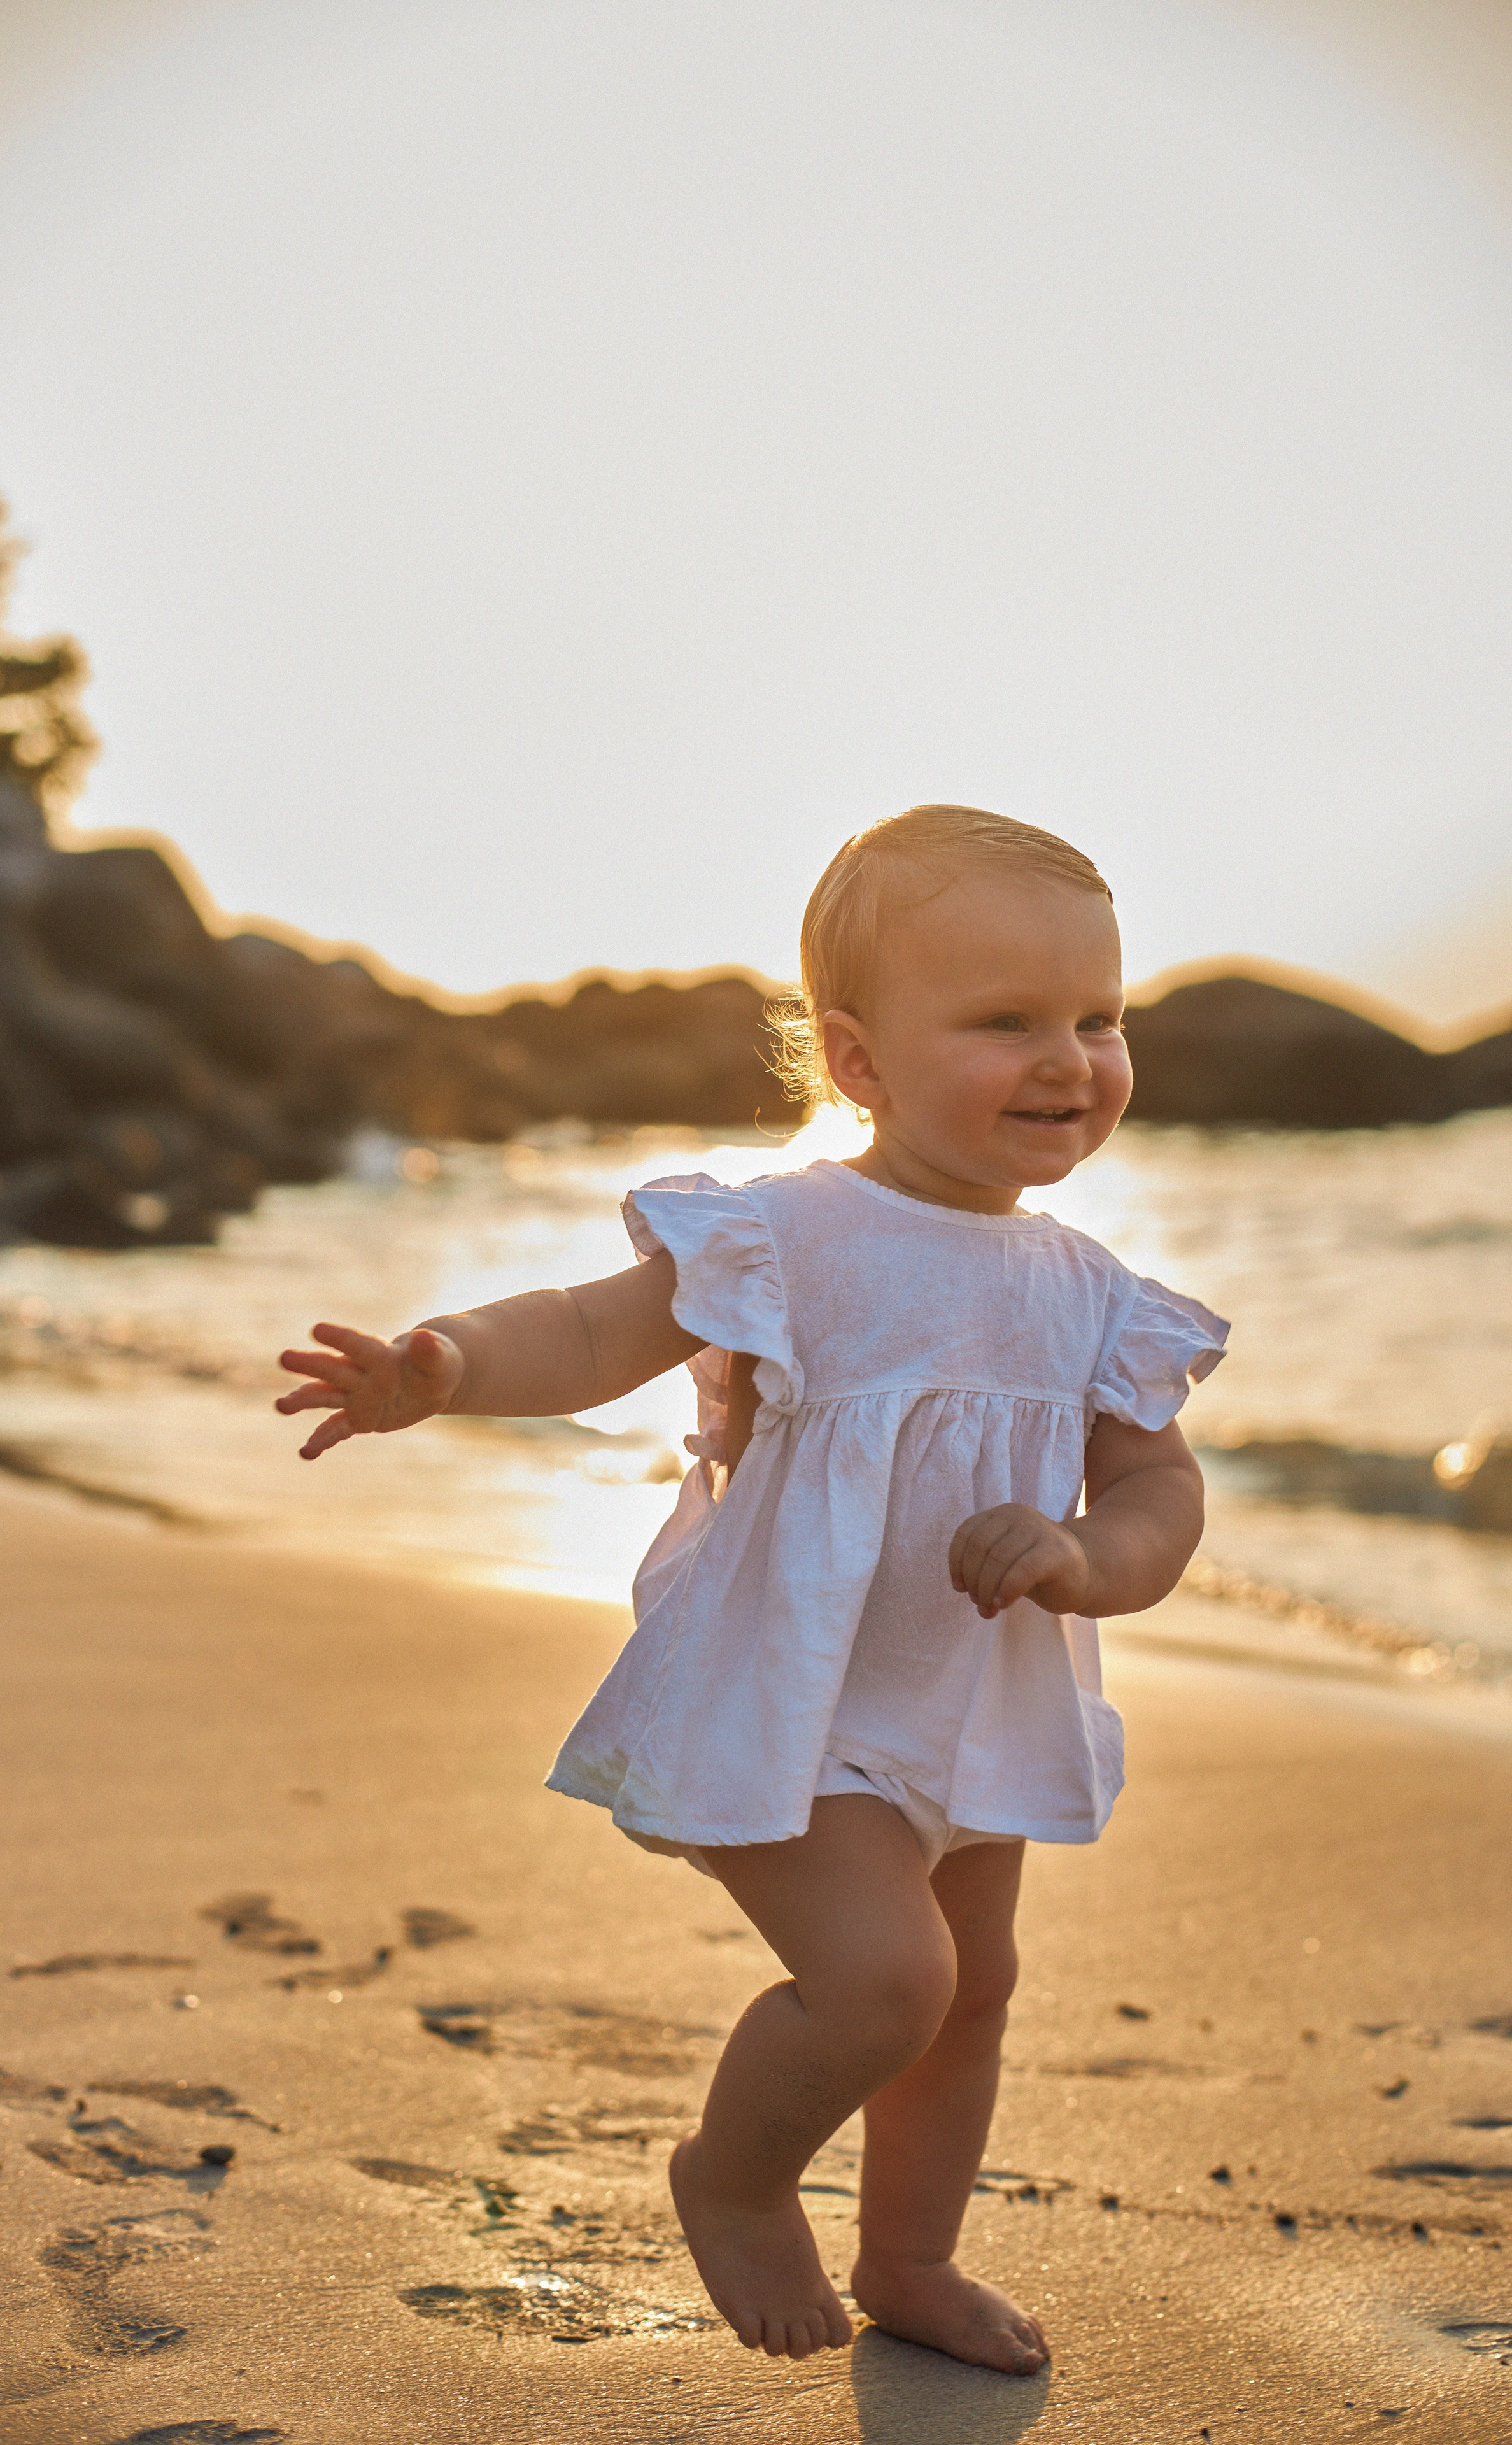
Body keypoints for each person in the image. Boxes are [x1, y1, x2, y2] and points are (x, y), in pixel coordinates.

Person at [275, 805, 1227, 2375]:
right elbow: (588, 1332)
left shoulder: (1089, 1294)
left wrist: (1085, 1561)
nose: (1068, 1059)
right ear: (857, 1063)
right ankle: (731, 2179)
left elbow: (1156, 1490)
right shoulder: (788, 1235)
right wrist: (438, 1365)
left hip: (966, 1694)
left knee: (971, 1990)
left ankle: (910, 2258)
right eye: (1005, 1023)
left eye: (1097, 1019)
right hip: (792, 1696)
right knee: (886, 1978)